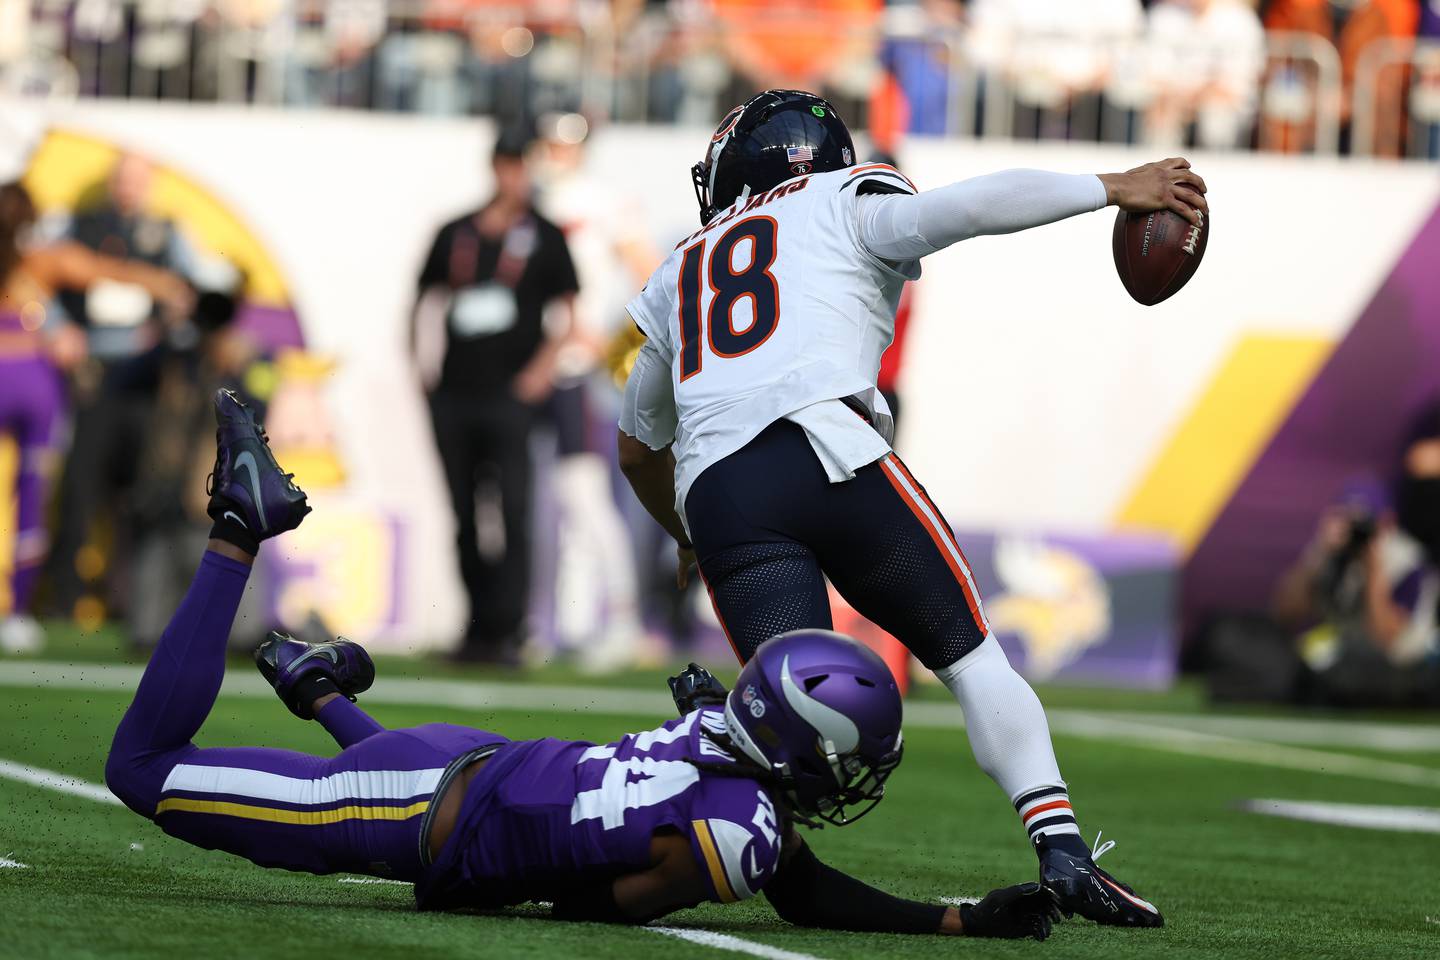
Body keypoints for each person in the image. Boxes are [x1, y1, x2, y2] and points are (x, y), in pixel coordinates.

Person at [102, 388, 1060, 939]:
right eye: (844, 757)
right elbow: (602, 908)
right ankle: (241, 527)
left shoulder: (717, 735)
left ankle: (317, 688)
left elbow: (799, 885)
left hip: (461, 764)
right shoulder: (741, 827)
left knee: (410, 779)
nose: (846, 777)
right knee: (141, 769)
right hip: (418, 807)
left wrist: (958, 922)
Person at [618, 90, 1208, 927]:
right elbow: (967, 209)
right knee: (969, 655)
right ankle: (1064, 852)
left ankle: (700, 821)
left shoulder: (682, 263)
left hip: (721, 498)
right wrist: (1113, 187)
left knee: (785, 723)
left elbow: (637, 448)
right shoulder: (843, 196)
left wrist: (685, 535)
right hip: (827, 450)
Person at [0, 181, 190, 653]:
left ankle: (19, 611)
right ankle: (16, 612)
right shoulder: (42, 262)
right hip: (35, 385)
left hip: (20, 377)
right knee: (33, 496)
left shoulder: (38, 264)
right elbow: (111, 271)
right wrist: (167, 285)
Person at [413, 131, 578, 664]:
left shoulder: (545, 236)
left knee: (513, 511)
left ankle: (510, 629)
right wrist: (421, 368)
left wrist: (540, 372)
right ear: (494, 168)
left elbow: (568, 311)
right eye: (506, 165)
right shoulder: (456, 232)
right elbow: (424, 301)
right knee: (463, 513)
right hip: (455, 395)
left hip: (511, 397)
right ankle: (476, 628)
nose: (514, 177)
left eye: (521, 166)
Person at [45, 153, 201, 620]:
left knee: (141, 489)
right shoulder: (78, 226)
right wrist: (58, 328)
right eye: (122, 179)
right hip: (93, 372)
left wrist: (167, 326)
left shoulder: (167, 233)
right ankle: (63, 598)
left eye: (138, 180)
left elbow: (192, 291)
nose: (128, 188)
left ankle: (134, 600)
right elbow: (40, 279)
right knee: (80, 482)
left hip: (144, 376)